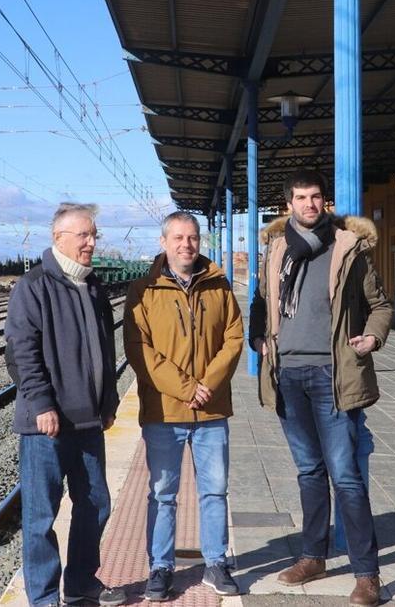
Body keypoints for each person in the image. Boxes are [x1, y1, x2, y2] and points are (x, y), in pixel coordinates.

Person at [249, 170, 394, 607]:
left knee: (346, 475)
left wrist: (372, 337)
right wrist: (258, 338)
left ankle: (367, 574)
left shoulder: (348, 248)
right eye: (300, 197)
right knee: (309, 472)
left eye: (315, 197)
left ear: (324, 203)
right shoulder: (275, 250)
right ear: (288, 204)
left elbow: (381, 305)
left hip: (333, 375)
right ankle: (314, 556)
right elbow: (259, 302)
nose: (308, 205)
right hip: (288, 375)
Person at [4, 203, 126, 607]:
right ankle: (42, 597)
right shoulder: (33, 286)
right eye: (84, 236)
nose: (92, 243)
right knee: (41, 516)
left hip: (89, 421)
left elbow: (105, 351)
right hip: (47, 423)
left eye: (94, 235)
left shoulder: (92, 288)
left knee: (96, 505)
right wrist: (42, 404)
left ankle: (80, 583)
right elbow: (22, 352)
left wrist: (108, 401)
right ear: (59, 239)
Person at [125, 211, 244, 600]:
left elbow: (233, 337)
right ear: (163, 242)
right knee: (162, 493)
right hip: (164, 411)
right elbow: (139, 350)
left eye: (192, 238)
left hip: (211, 409)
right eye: (178, 238)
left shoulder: (219, 285)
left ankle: (215, 563)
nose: (186, 245)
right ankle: (160, 567)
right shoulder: (143, 290)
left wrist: (206, 385)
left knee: (215, 491)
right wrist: (185, 388)